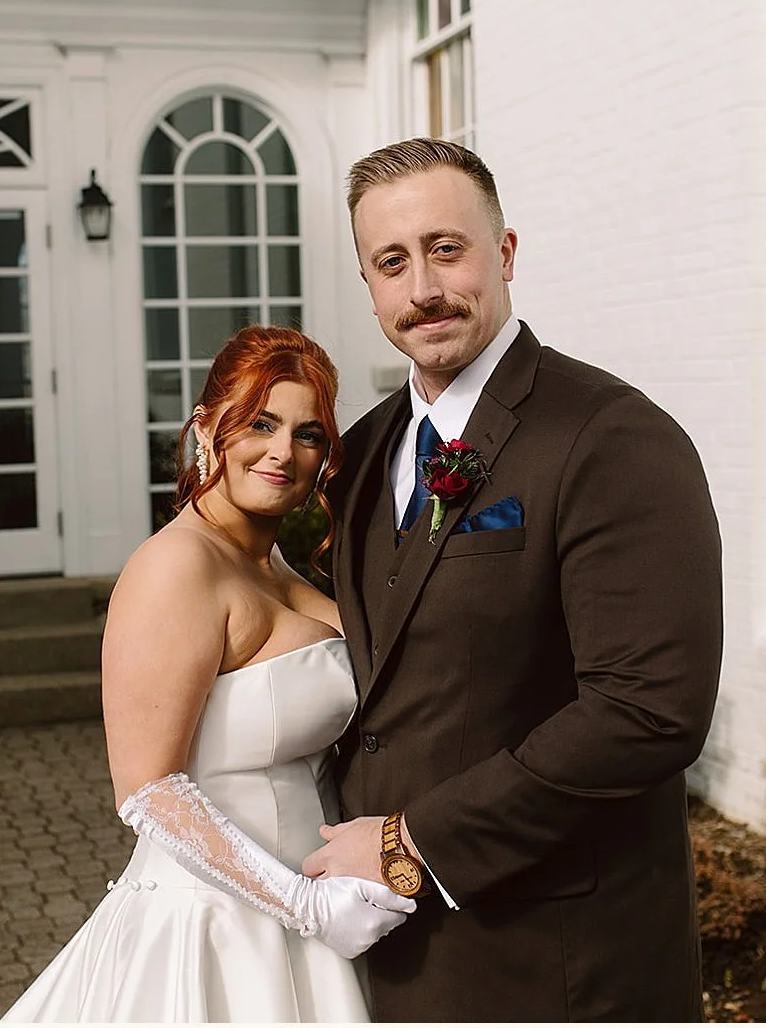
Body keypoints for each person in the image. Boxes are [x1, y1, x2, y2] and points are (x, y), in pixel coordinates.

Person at [300, 137, 725, 1021]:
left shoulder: (612, 437)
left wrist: (413, 842)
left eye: (446, 249)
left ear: (504, 252)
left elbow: (648, 710)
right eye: (392, 262)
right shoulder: (362, 453)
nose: (423, 288)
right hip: (388, 948)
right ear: (369, 284)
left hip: (559, 960)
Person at [3, 325, 416, 1022]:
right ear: (205, 426)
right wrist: (304, 906)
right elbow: (146, 791)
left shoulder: (273, 563)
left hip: (318, 913)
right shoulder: (175, 566)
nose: (283, 452)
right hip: (216, 926)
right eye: (260, 423)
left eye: (308, 434)